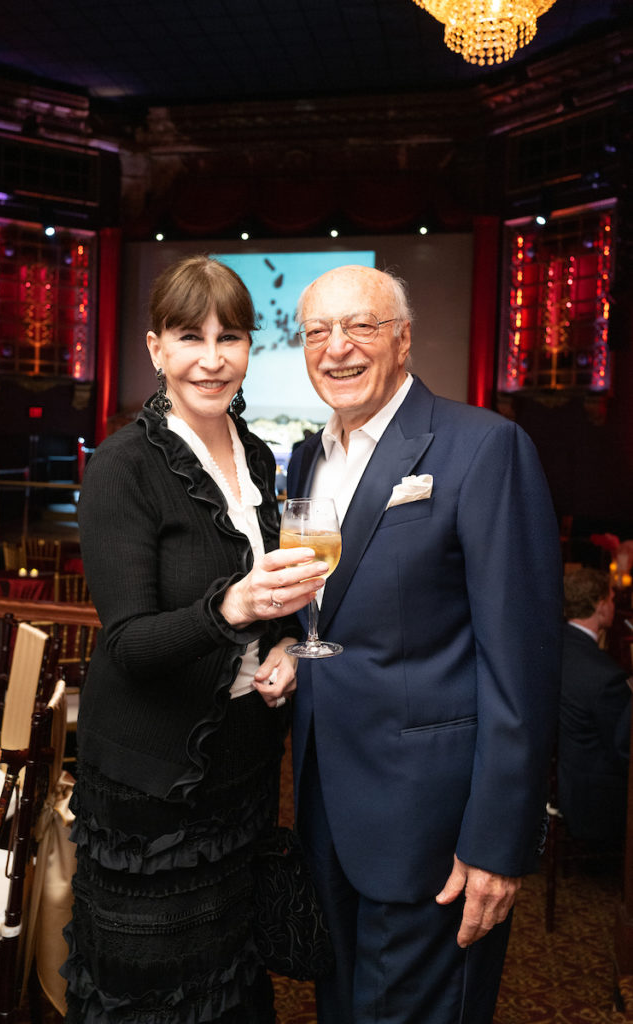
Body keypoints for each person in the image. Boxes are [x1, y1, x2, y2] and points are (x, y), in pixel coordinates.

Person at [279, 264, 563, 1024]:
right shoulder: (309, 458)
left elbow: (523, 666)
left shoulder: (484, 447)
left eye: (361, 327)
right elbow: (331, 617)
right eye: (316, 332)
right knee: (342, 1006)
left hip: (436, 831)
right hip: (328, 811)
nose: (336, 348)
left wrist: (500, 843)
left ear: (403, 340)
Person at [61, 255, 328, 1024]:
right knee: (155, 998)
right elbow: (131, 646)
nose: (213, 359)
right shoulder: (122, 466)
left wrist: (281, 646)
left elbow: (269, 601)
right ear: (155, 348)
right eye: (190, 337)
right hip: (155, 793)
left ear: (250, 349)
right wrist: (233, 609)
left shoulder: (258, 454)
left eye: (231, 337)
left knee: (230, 983)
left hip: (240, 775)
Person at [558, 567, 631, 847]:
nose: (613, 606)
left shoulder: (555, 646)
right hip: (594, 800)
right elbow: (624, 750)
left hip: (561, 781)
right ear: (600, 606)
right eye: (612, 599)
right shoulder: (606, 675)